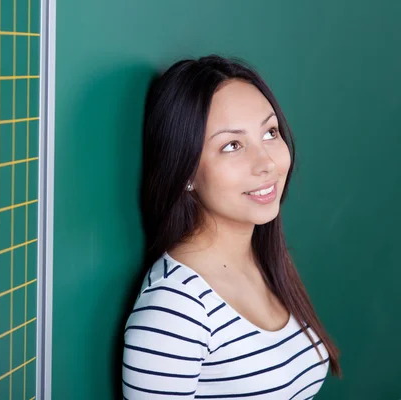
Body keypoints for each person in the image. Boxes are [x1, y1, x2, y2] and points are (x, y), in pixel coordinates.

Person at [122, 55, 341, 399]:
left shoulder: (263, 260)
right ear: (186, 172)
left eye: (270, 132)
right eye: (232, 145)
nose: (266, 162)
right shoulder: (175, 308)